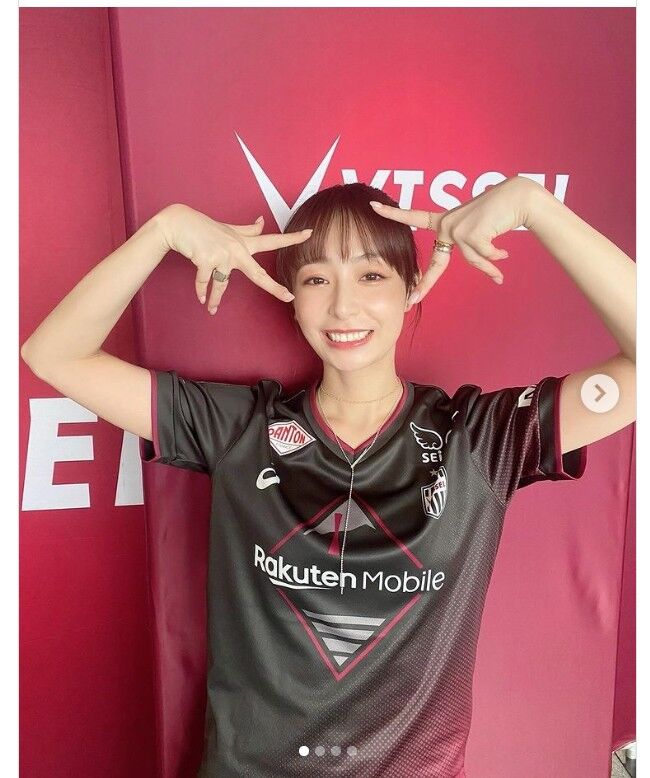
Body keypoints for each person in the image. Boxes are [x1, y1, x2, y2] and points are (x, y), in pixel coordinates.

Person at [21, 178, 635, 777]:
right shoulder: (239, 428)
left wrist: (534, 205)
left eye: (371, 276)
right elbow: (54, 354)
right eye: (317, 279)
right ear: (290, 294)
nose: (343, 306)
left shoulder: (478, 439)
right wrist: (164, 230)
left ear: (412, 287)